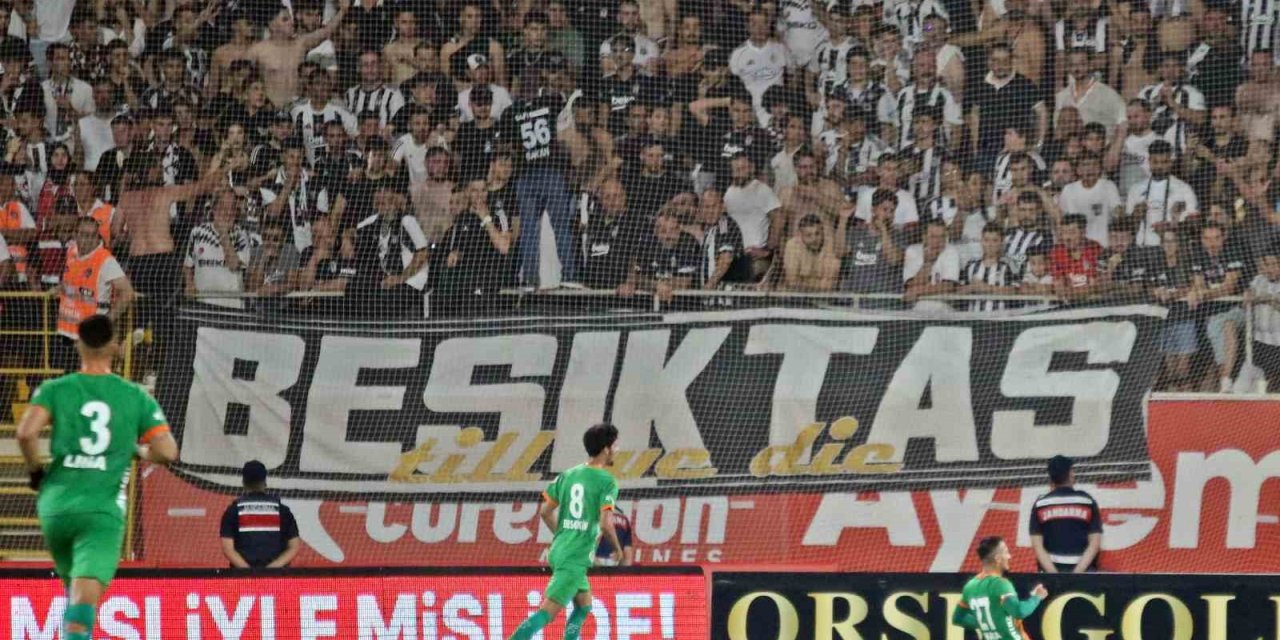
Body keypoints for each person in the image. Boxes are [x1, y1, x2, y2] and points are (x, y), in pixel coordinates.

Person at [16, 315, 180, 640]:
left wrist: (36, 471)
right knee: (81, 612)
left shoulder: (55, 389)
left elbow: (25, 433)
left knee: (73, 595)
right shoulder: (134, 396)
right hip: (100, 510)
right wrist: (138, 451)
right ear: (115, 347)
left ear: (78, 344)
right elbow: (167, 452)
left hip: (55, 508)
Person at [506, 423, 623, 640]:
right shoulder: (607, 481)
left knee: (584, 606)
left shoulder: (567, 475)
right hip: (575, 557)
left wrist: (562, 535)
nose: (617, 449)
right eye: (615, 445)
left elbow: (545, 512)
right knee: (546, 614)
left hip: (561, 550)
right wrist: (618, 550)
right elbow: (606, 524)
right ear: (606, 449)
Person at [953, 536, 1049, 639]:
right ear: (998, 558)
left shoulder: (970, 586)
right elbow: (1019, 611)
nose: (1009, 556)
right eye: (1006, 552)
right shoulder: (1001, 584)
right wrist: (1036, 597)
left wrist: (987, 624)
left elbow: (958, 618)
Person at [219, 460, 301, 569]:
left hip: (243, 580)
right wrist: (271, 570)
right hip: (276, 580)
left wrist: (249, 572)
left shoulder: (233, 511)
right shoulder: (282, 511)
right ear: (265, 481)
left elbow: (228, 549)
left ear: (243, 482)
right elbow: (294, 546)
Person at [1029, 455, 1103, 573]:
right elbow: (1095, 543)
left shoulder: (1040, 504)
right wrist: (1076, 574)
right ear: (1070, 474)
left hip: (1050, 577)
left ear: (1051, 478)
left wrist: (1055, 576)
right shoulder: (1087, 501)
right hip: (1085, 575)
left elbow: (1038, 547)